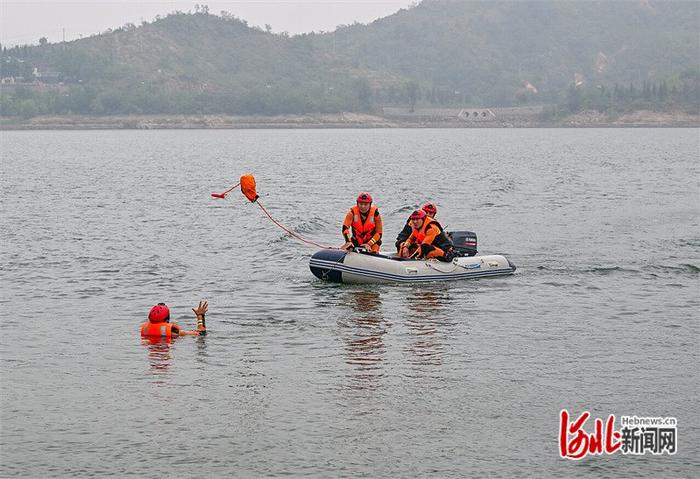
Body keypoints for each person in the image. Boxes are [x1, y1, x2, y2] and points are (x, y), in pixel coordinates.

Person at [140, 301, 208, 339]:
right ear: (167, 321)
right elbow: (201, 333)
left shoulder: (144, 328)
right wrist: (200, 316)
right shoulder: (173, 332)